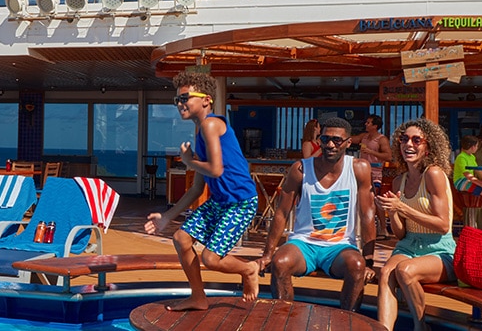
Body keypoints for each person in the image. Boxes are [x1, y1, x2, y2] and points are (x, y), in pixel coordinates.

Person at [145, 71, 261, 310]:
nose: (180, 104)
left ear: (206, 99)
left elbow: (216, 170)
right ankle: (198, 297)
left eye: (185, 97)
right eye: (177, 99)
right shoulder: (200, 132)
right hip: (219, 201)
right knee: (181, 238)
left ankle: (249, 269)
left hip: (240, 202)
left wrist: (188, 161)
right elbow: (198, 187)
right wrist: (167, 217)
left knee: (210, 258)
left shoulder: (211, 124)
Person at [261, 117, 375, 311]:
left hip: (340, 247)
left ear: (348, 143)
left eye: (337, 140)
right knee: (280, 262)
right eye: (325, 139)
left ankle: (347, 321)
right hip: (304, 244)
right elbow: (281, 212)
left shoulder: (358, 168)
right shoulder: (300, 169)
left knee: (357, 265)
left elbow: (367, 215)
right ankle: (283, 319)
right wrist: (267, 254)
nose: (330, 144)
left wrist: (369, 261)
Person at [375, 118, 456, 331]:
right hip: (408, 245)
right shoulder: (398, 181)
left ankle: (421, 327)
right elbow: (400, 235)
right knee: (385, 273)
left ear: (428, 147)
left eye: (416, 140)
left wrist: (403, 208)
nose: (408, 144)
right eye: (404, 139)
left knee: (405, 270)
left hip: (439, 249)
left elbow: (443, 225)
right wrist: (392, 212)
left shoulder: (434, 174)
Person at [351, 115, 391, 238]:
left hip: (375, 173)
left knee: (375, 199)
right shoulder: (364, 137)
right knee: (361, 199)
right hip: (362, 173)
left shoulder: (381, 139)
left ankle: (383, 229)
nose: (366, 124)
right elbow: (352, 139)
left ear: (375, 126)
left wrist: (371, 152)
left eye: (368, 123)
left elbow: (388, 156)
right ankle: (364, 229)